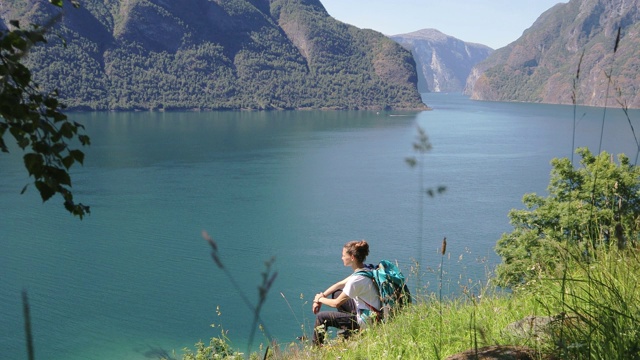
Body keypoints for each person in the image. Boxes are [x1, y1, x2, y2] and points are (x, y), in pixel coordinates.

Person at [311, 240, 381, 345]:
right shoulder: (366, 269)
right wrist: (323, 295)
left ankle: (316, 350)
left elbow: (336, 303)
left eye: (344, 255)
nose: (342, 258)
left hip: (367, 320)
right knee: (337, 293)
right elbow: (339, 284)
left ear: (352, 257)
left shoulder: (356, 280)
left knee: (321, 317)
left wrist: (319, 299)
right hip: (371, 311)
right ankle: (348, 330)